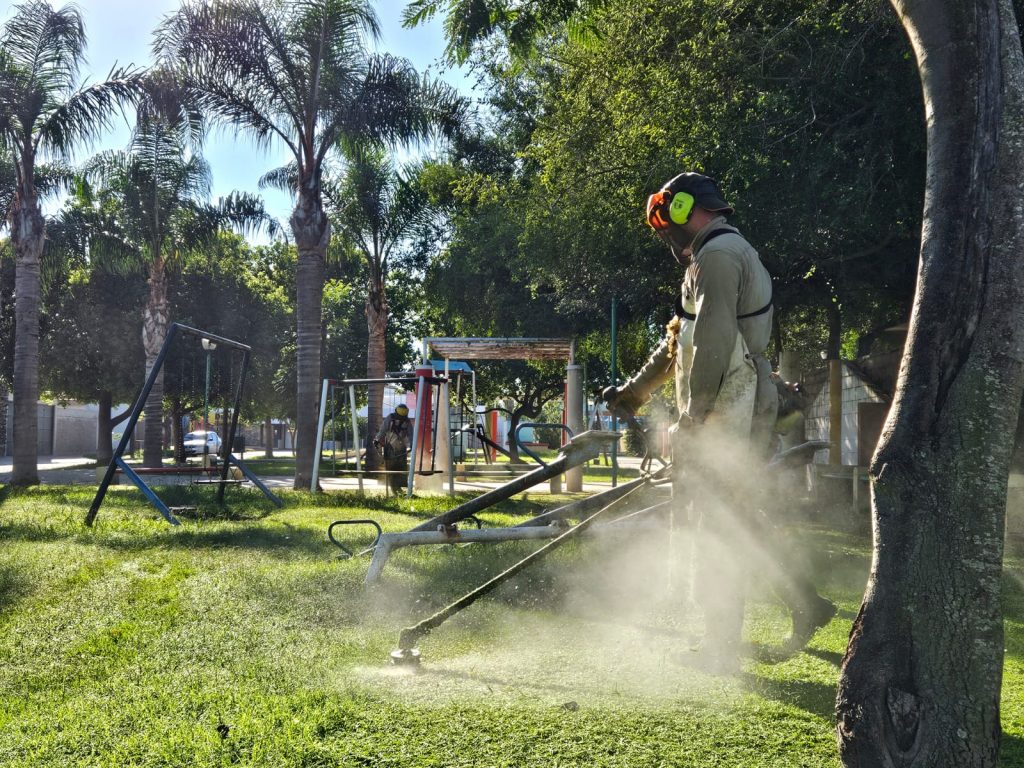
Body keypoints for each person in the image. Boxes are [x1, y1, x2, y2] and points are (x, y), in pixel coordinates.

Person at [604, 171, 834, 669]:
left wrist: (692, 419)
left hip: (730, 412)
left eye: (668, 222)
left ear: (688, 209)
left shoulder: (719, 256)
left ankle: (721, 645)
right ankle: (804, 602)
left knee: (715, 524)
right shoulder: (707, 260)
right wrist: (633, 395)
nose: (665, 234)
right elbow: (680, 343)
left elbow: (712, 344)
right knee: (735, 519)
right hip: (723, 409)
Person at [374, 404, 412, 494]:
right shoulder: (406, 421)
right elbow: (411, 435)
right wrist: (412, 445)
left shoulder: (391, 418)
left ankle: (397, 490)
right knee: (398, 470)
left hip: (394, 449)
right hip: (397, 449)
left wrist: (377, 439)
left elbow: (382, 431)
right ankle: (395, 490)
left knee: (395, 470)